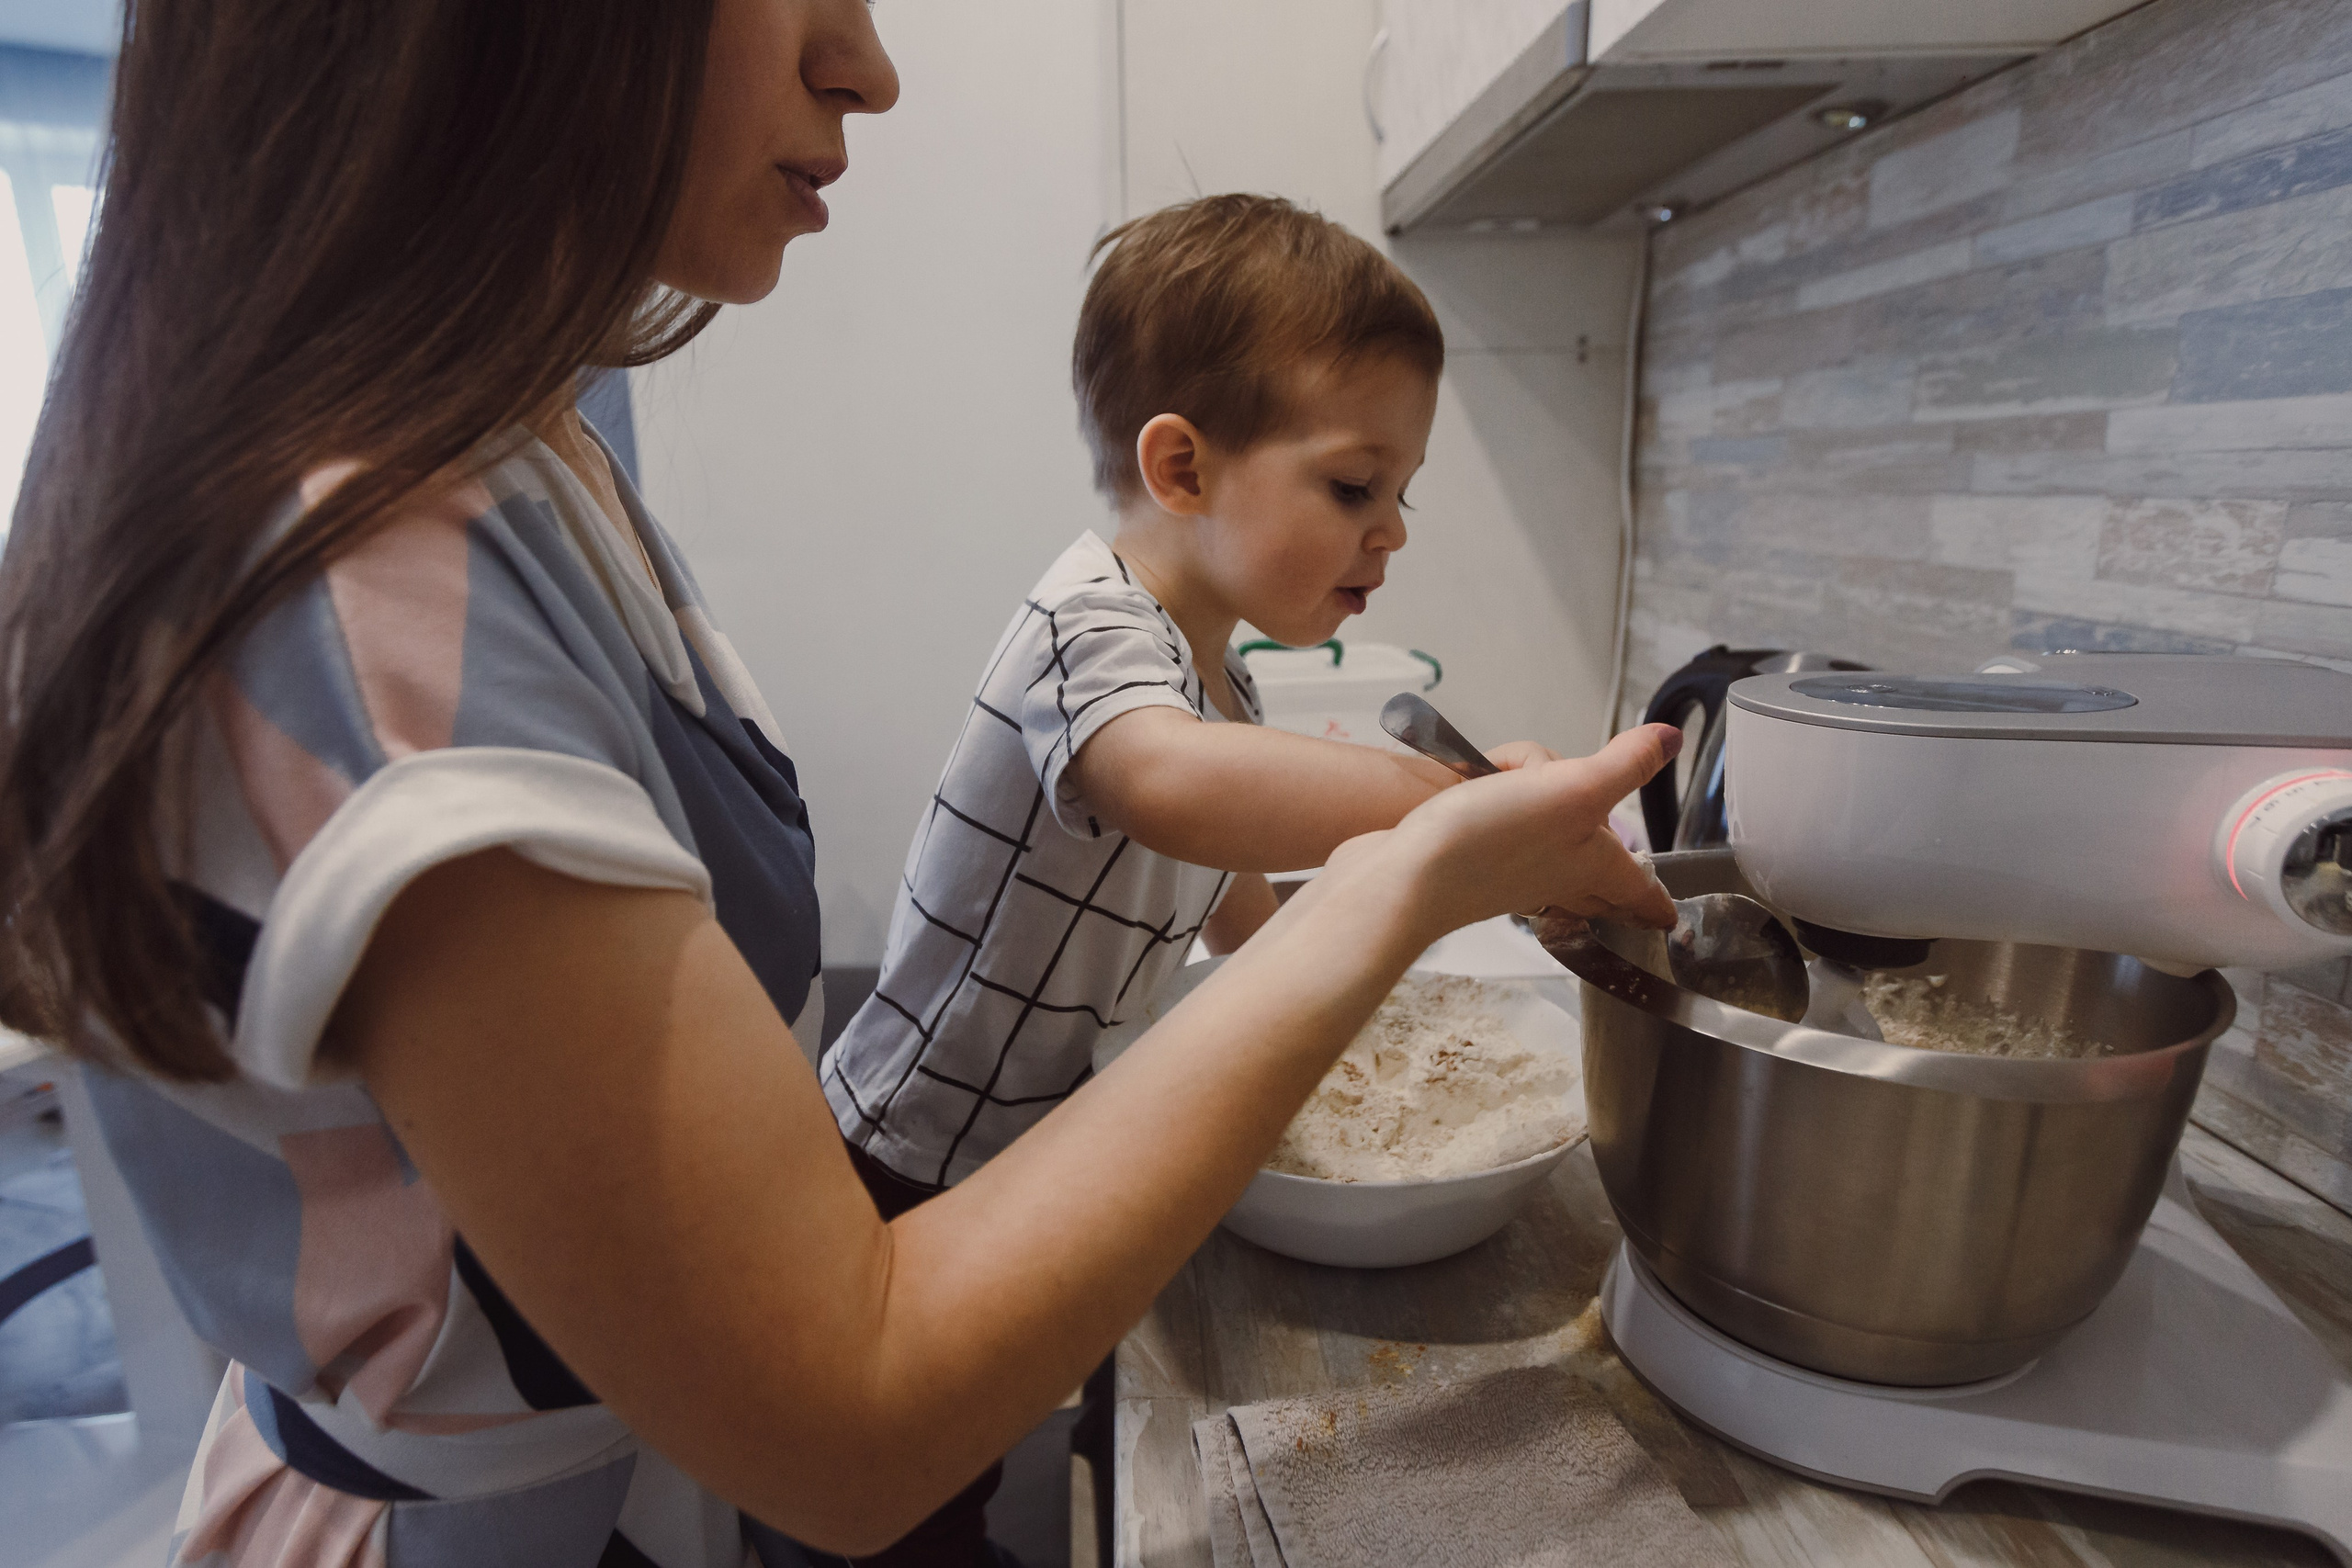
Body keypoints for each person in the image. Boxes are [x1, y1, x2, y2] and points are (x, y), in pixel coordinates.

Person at [0, 4, 1681, 1567]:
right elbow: (854, 1407)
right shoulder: (368, 591)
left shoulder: (528, 458)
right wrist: (1419, 858)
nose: (870, 64)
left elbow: (1210, 894)